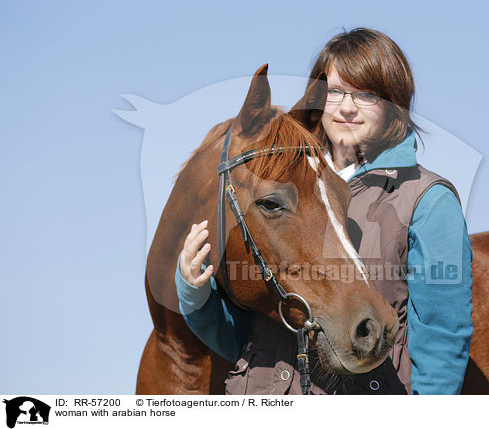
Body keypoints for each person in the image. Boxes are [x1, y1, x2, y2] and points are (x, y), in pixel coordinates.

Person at [176, 28, 473, 394]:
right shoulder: (285, 186)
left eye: (366, 94)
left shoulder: (428, 199)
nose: (347, 107)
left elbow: (443, 340)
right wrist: (194, 291)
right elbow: (241, 339)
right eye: (335, 92)